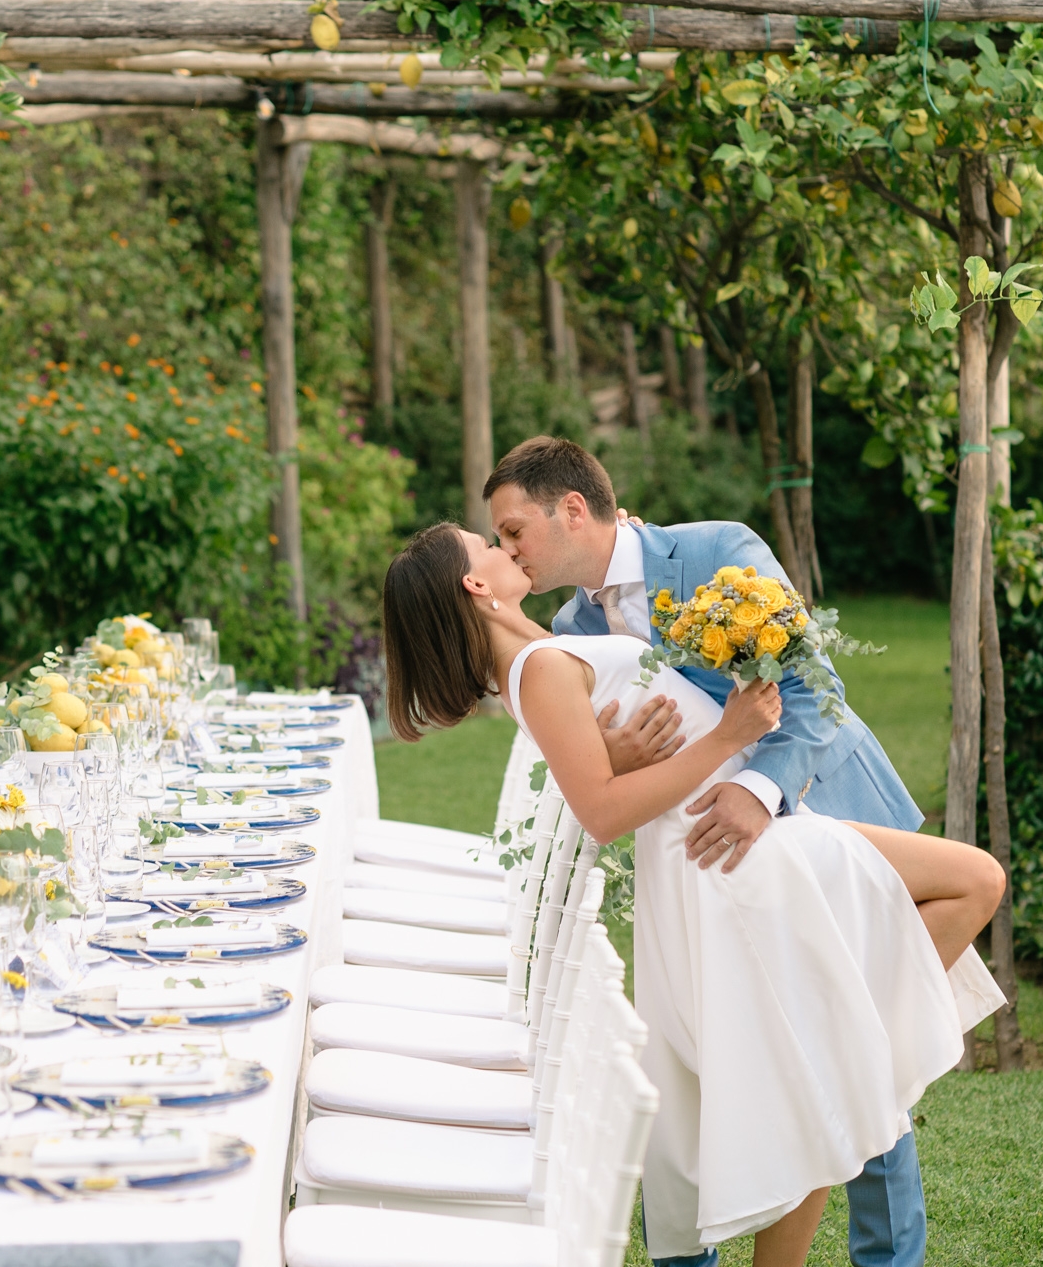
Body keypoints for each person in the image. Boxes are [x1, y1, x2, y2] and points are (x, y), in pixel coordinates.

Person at [381, 521, 1006, 1267]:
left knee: (826, 1074)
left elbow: (603, 766)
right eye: (487, 542)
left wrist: (630, 750)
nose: (502, 546)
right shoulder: (539, 667)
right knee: (970, 886)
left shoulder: (542, 653)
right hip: (739, 854)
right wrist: (727, 736)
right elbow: (604, 810)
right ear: (475, 585)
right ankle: (866, 1045)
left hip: (745, 846)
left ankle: (864, 1042)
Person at [482, 435, 934, 1267]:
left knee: (860, 1052)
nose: (509, 550)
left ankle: (890, 1259)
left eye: (514, 531)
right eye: (499, 542)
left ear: (571, 508)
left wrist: (759, 792)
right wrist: (617, 760)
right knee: (774, 1059)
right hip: (719, 875)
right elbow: (598, 779)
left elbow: (813, 690)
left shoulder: (718, 549)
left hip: (824, 808)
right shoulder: (568, 629)